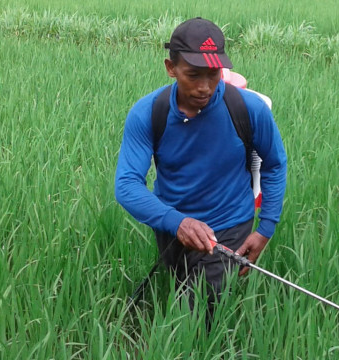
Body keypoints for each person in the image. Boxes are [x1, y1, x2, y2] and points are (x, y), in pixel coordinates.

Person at [114, 17, 287, 316]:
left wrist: (266, 228)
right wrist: (177, 222)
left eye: (214, 74)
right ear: (171, 68)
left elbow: (274, 164)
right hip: (172, 225)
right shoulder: (148, 113)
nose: (205, 87)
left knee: (199, 312)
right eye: (193, 75)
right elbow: (127, 185)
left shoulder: (248, 109)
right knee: (182, 290)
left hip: (229, 226)